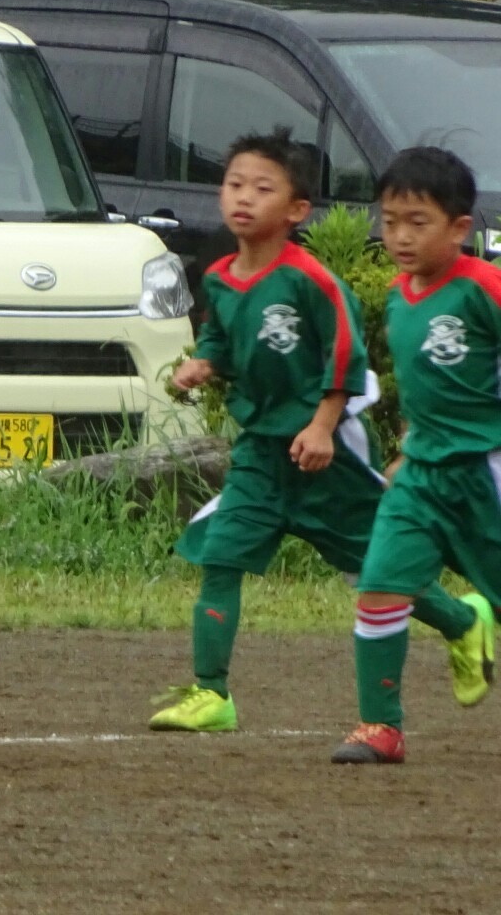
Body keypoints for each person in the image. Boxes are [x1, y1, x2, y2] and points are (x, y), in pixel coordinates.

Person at [147, 129, 486, 735]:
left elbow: (346, 355)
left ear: (297, 210)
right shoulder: (222, 278)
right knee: (221, 555)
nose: (242, 198)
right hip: (260, 450)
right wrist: (204, 361)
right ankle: (212, 692)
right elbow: (222, 337)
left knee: (374, 570)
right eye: (233, 184)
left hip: (326, 451)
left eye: (262, 187)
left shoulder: (311, 280)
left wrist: (325, 425)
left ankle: (462, 622)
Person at [333, 147, 499, 765]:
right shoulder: (401, 298)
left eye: (417, 222)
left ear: (460, 228)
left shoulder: (485, 289)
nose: (399, 235)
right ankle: (381, 727)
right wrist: (408, 447)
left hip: (484, 472)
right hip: (423, 477)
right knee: (380, 586)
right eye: (390, 219)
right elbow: (424, 387)